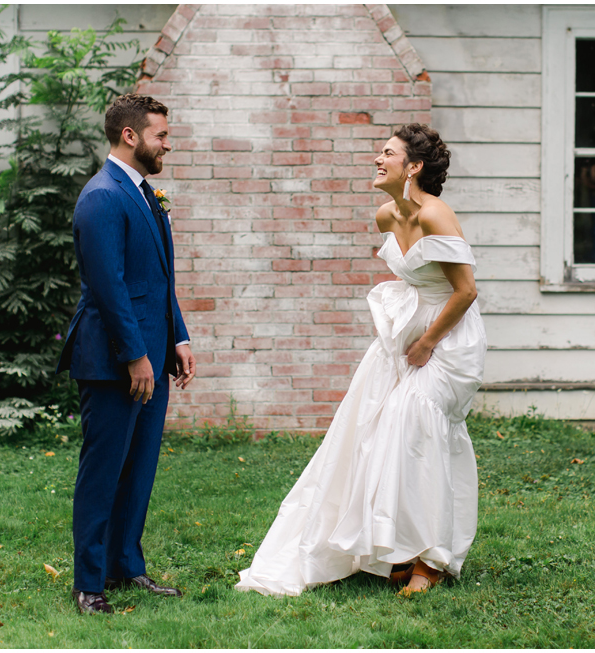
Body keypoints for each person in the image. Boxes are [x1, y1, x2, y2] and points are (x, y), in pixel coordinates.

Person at [235, 123, 486, 597]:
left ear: (413, 167)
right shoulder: (386, 217)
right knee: (373, 428)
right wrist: (403, 330)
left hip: (449, 339)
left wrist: (427, 341)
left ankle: (432, 558)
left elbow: (465, 291)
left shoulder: (436, 216)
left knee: (415, 422)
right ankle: (397, 546)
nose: (378, 159)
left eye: (387, 153)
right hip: (407, 333)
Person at [56, 94, 196, 614]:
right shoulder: (101, 197)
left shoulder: (142, 193)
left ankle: (125, 568)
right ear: (130, 136)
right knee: (103, 471)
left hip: (151, 356)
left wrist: (177, 338)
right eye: (160, 134)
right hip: (114, 360)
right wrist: (136, 354)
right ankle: (88, 584)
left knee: (137, 471)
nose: (167, 143)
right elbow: (108, 286)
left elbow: (157, 279)